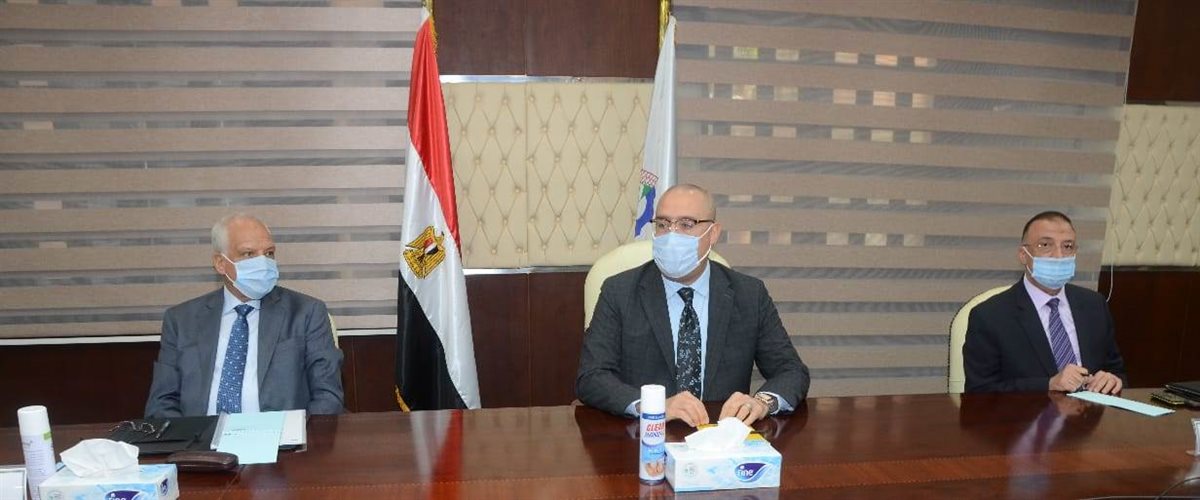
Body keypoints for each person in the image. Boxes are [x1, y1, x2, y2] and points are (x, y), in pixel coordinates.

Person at [576, 184, 810, 426]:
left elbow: (791, 371)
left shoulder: (749, 294)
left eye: (686, 224)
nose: (671, 235)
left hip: (719, 435)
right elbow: (591, 377)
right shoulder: (620, 291)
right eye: (663, 225)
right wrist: (652, 406)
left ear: (713, 233)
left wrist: (762, 402)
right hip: (644, 436)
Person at [145, 214, 344, 417]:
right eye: (249, 254)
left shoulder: (306, 313)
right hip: (201, 434)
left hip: (280, 434)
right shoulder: (181, 320)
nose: (263, 262)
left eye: (269, 253)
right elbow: (162, 403)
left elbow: (328, 397)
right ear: (220, 263)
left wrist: (296, 433)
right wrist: (189, 437)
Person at [963, 211, 1126, 394]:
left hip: (1090, 410)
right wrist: (1048, 384)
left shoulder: (1094, 305)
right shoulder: (990, 316)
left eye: (1067, 246)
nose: (1058, 255)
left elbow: (1116, 370)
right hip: (1028, 411)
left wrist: (1112, 379)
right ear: (1023, 255)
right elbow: (979, 391)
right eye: (1046, 245)